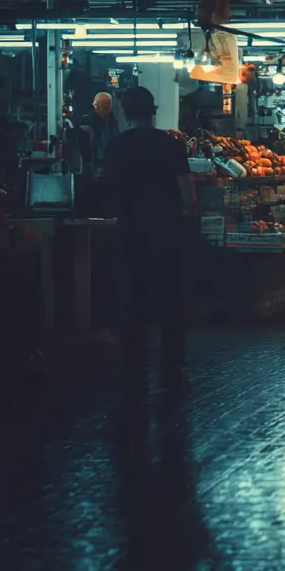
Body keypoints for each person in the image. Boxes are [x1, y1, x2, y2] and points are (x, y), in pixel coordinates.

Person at [103, 87, 196, 393]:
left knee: (132, 301)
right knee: (172, 301)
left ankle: (133, 368)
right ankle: (172, 369)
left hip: (131, 232)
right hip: (167, 232)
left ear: (125, 112)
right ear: (152, 111)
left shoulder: (116, 146)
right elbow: (188, 194)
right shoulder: (171, 144)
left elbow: (108, 189)